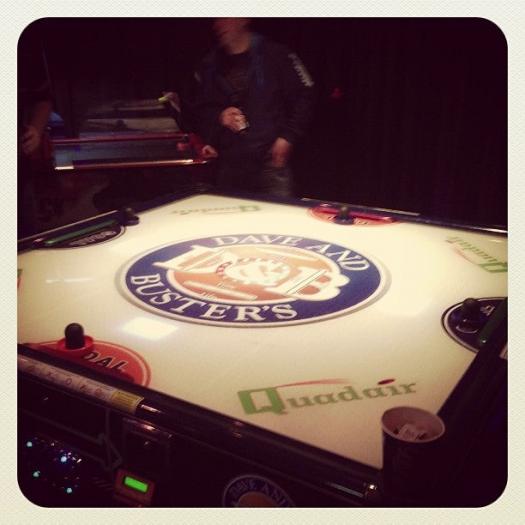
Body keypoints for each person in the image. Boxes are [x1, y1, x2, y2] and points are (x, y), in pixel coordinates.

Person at [185, 18, 315, 197]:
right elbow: (201, 109)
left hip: (270, 159)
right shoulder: (210, 63)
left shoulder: (275, 54)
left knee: (276, 213)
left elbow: (305, 95)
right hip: (230, 163)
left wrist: (288, 137)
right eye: (217, 19)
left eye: (226, 17)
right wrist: (219, 118)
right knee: (232, 214)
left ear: (243, 19)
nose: (219, 24)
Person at [18, 25, 53, 237]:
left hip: (17, 169)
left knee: (25, 240)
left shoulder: (24, 43)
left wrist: (36, 130)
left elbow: (43, 99)